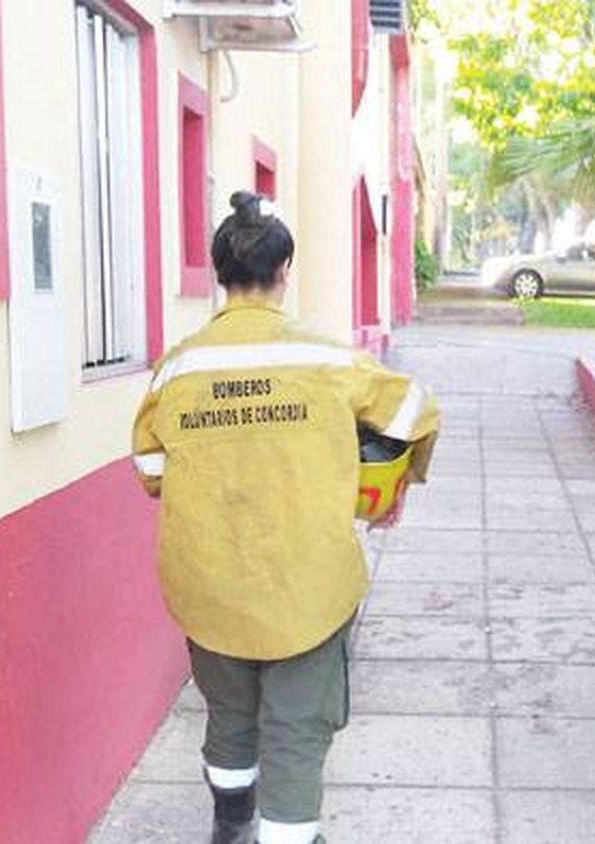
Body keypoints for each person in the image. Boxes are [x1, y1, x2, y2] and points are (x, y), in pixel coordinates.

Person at [131, 192, 439, 844]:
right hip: (308, 583)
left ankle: (229, 825)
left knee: (229, 715)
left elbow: (152, 472)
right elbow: (416, 410)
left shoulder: (177, 368)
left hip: (209, 581)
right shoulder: (327, 361)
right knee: (297, 730)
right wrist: (394, 484)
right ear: (283, 272)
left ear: (219, 274)